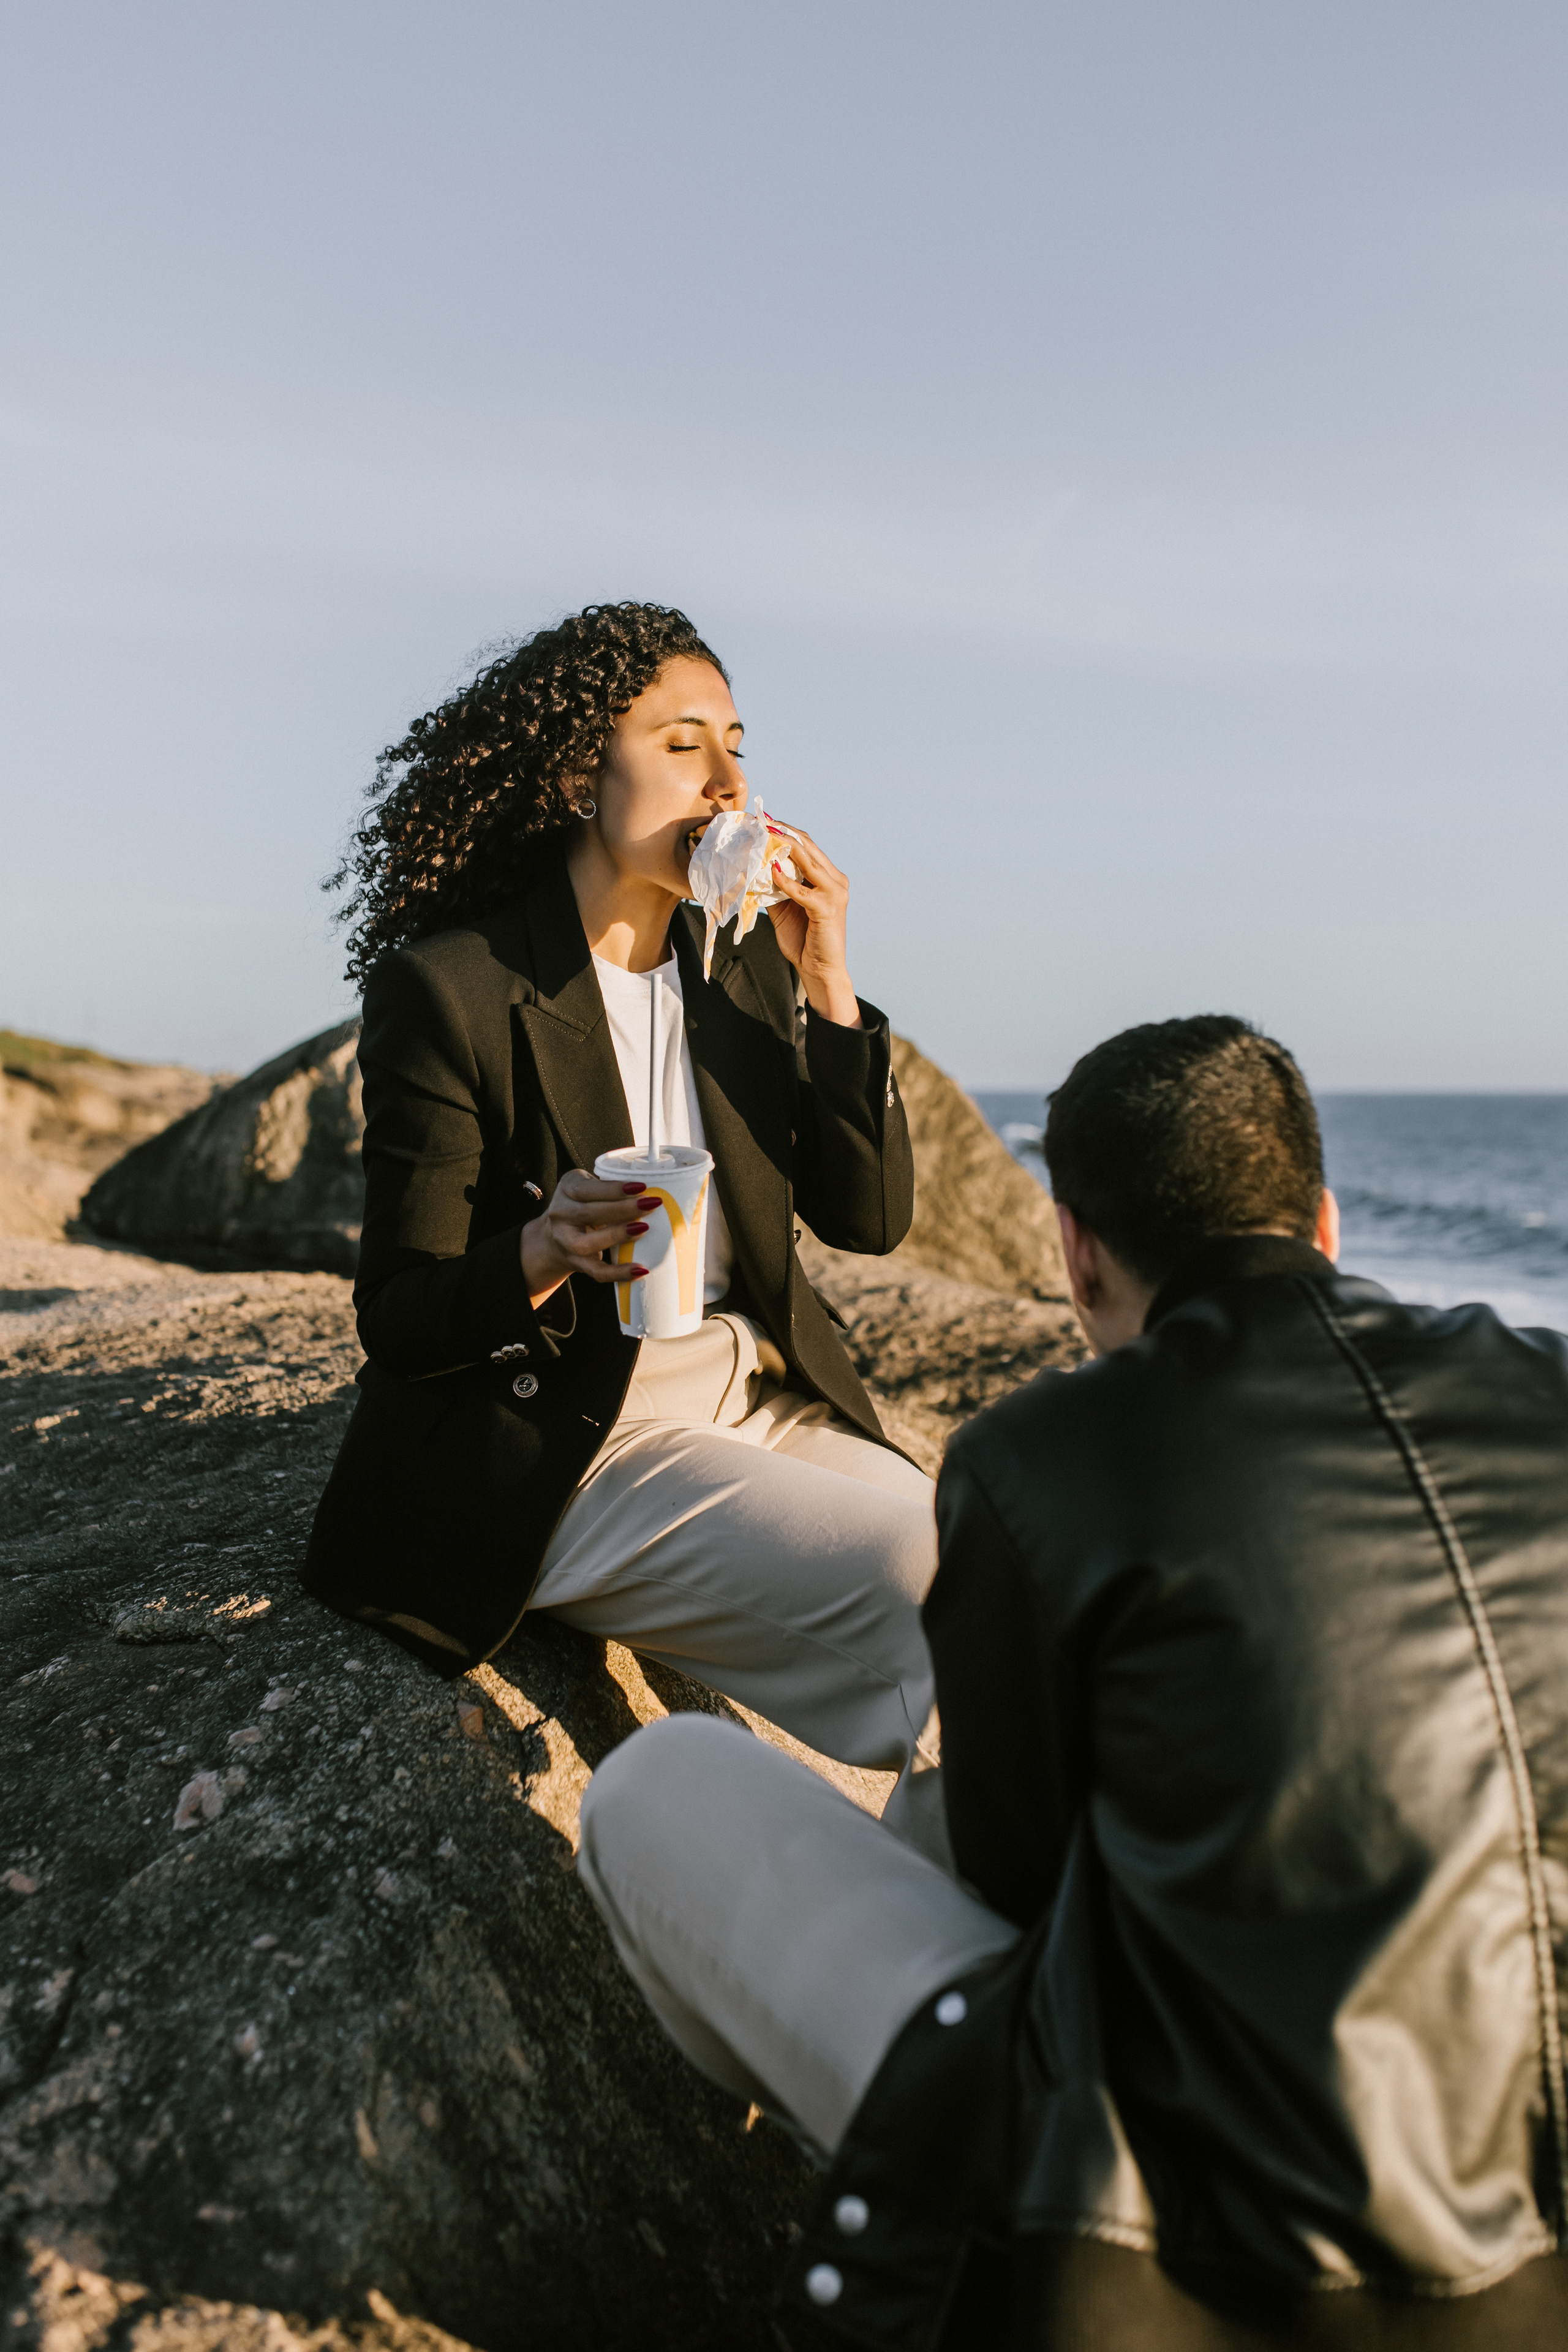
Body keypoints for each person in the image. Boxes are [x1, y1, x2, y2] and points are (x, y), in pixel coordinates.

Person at [578, 1014, 1568, 2346]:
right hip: (1528, 2221)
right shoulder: (1544, 1390)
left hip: (1185, 2270)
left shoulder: (1038, 1460)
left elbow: (1017, 1877)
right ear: (1324, 1224)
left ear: (1076, 1256)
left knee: (665, 1787)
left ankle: (842, 2186)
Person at [304, 602, 942, 1843]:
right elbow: (398, 1315)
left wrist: (829, 984)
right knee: (924, 1593)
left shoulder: (742, 963)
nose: (728, 781)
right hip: (577, 1434)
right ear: (574, 774)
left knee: (1009, 1580)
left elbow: (866, 1222)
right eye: (683, 743)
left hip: (748, 1398)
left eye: (738, 746)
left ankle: (970, 1947)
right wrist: (540, 1253)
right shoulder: (455, 987)